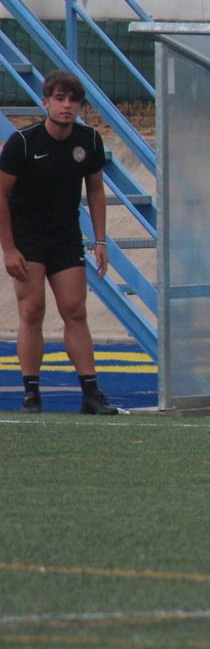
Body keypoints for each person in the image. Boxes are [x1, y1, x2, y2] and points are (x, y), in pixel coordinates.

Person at [0, 71, 115, 414]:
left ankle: (91, 394)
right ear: (45, 102)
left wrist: (100, 240)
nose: (67, 106)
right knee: (32, 310)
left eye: (73, 100)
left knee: (75, 310)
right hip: (27, 240)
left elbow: (95, 189)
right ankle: (31, 392)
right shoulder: (22, 143)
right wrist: (9, 248)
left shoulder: (90, 141)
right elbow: (0, 194)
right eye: (60, 99)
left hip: (65, 238)